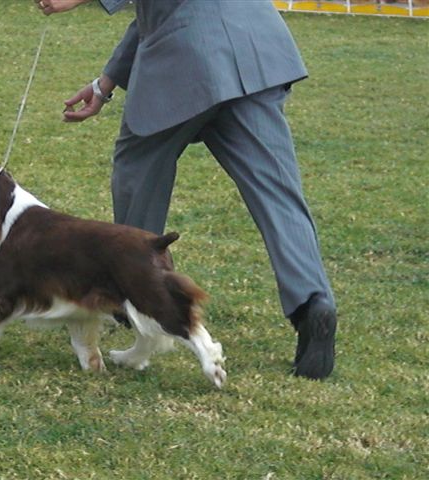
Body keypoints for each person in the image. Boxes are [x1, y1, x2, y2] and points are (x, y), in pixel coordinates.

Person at [34, 0, 337, 380]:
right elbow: (155, 15)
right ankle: (313, 303)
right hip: (254, 49)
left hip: (191, 57)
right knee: (278, 195)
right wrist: (104, 83)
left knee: (137, 166)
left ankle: (134, 287)